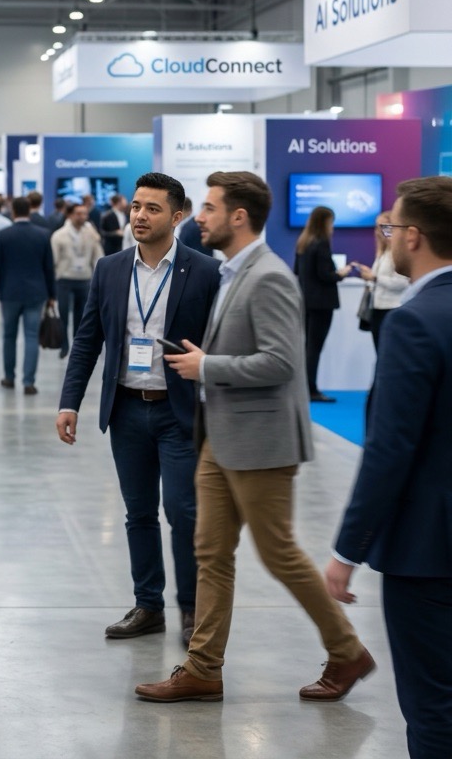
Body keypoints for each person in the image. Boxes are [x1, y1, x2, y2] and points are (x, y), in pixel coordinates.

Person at [135, 171, 373, 705]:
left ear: (238, 217)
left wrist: (207, 365)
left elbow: (282, 363)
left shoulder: (269, 276)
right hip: (222, 437)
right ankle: (203, 668)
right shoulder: (233, 271)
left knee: (278, 552)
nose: (200, 216)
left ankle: (347, 650)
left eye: (211, 208)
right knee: (211, 551)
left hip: (261, 441)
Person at [56, 173, 220, 645]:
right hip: (127, 409)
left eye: (152, 208)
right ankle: (148, 605)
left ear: (177, 216)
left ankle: (191, 610)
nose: (140, 216)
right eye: (136, 207)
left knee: (184, 511)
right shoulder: (110, 268)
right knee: (138, 512)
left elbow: (217, 345)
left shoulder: (205, 272)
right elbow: (87, 341)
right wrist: (71, 401)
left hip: (179, 412)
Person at [325, 177, 452, 759]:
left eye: (393, 227)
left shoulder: (414, 321)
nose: (390, 236)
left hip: (430, 554)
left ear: (415, 237)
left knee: (434, 710)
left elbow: (389, 448)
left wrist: (347, 552)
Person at [0, 196, 55, 396]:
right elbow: (49, 268)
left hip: (10, 293)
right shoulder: (43, 235)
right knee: (31, 336)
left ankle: (9, 377)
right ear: (29, 212)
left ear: (13, 211)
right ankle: (29, 382)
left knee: (9, 336)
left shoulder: (4, 235)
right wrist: (52, 295)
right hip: (36, 293)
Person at [293, 205, 353, 403]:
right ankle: (311, 389)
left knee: (307, 346)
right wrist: (341, 274)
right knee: (314, 348)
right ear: (325, 222)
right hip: (321, 304)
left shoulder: (303, 243)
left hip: (305, 302)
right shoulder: (321, 243)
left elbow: (297, 272)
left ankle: (302, 388)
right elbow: (324, 275)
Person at [49, 201, 103, 357]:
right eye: (79, 214)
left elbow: (98, 256)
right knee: (63, 313)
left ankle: (77, 346)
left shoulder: (90, 234)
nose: (83, 217)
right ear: (70, 215)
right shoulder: (59, 235)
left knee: (81, 317)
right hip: (65, 279)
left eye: (85, 214)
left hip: (84, 279)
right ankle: (64, 344)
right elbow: (53, 260)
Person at [352, 211, 409, 351]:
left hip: (391, 307)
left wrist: (375, 278)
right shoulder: (382, 253)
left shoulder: (397, 253)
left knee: (389, 352)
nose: (378, 231)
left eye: (382, 226)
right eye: (377, 227)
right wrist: (370, 277)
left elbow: (402, 282)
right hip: (377, 308)